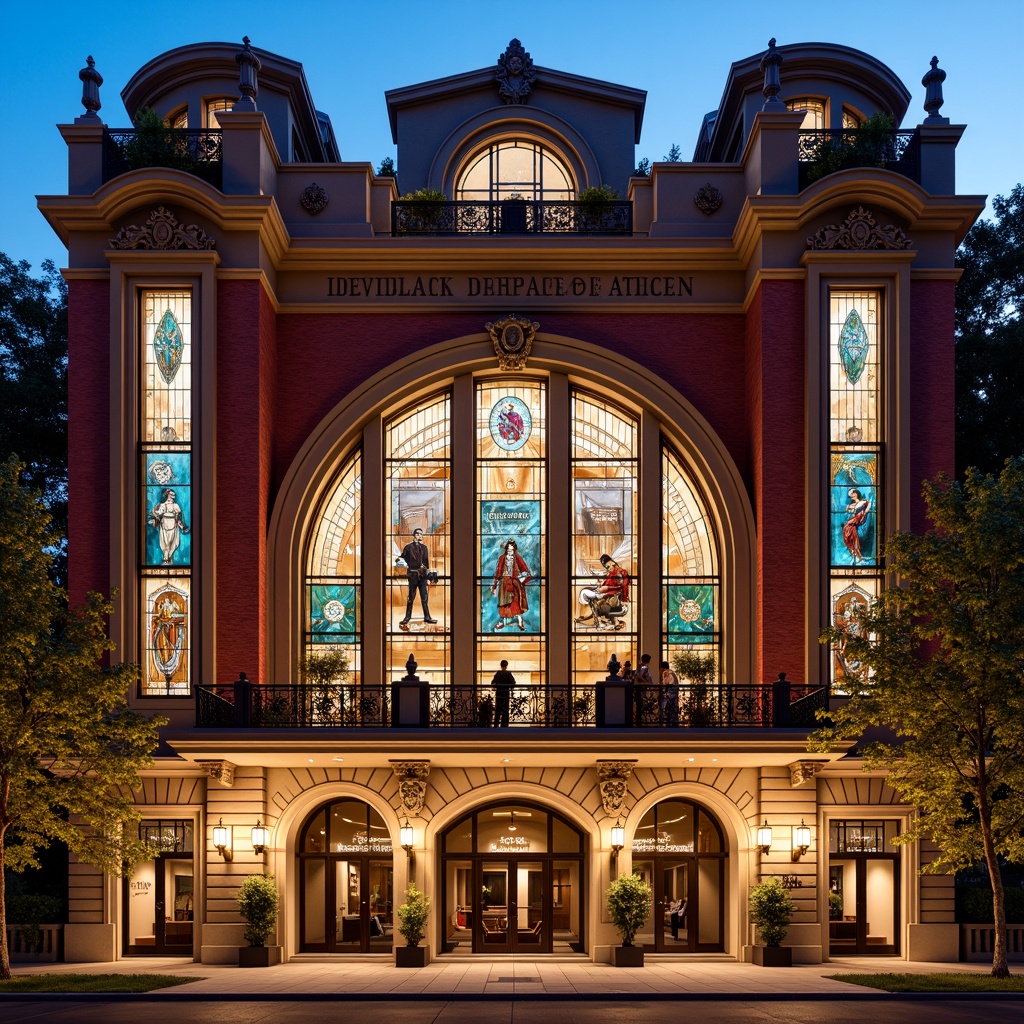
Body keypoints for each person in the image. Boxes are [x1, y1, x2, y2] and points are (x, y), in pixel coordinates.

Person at [576, 554, 630, 630]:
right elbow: (611, 582)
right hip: (608, 595)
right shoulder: (613, 572)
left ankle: (598, 621)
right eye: (607, 567)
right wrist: (602, 584)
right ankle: (599, 620)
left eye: (611, 564)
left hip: (613, 598)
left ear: (613, 562)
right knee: (588, 593)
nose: (610, 567)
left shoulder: (620, 572)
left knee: (586, 593)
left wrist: (606, 588)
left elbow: (620, 587)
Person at [490, 538, 532, 631]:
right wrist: (494, 586)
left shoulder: (517, 558)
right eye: (508, 550)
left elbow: (526, 571)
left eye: (512, 550)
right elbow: (498, 573)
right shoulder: (501, 558)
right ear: (506, 549)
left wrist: (521, 578)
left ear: (514, 550)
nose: (510, 552)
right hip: (504, 584)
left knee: (516, 603)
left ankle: (520, 622)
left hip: (514, 584)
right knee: (503, 603)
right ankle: (503, 622)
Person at [398, 528, 437, 626]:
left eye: (421, 534)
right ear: (415, 535)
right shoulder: (408, 547)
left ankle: (427, 617)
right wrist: (406, 565)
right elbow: (400, 560)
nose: (421, 536)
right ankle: (407, 617)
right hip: (412, 575)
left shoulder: (424, 548)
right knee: (411, 597)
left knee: (424, 597)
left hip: (422, 576)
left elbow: (426, 563)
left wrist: (427, 571)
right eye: (419, 534)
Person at [150, 488, 189, 564]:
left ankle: (169, 558)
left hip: (173, 525)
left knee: (173, 542)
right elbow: (157, 516)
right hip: (164, 525)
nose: (173, 496)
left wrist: (181, 526)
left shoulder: (176, 505)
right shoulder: (162, 505)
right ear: (167, 495)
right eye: (171, 494)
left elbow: (179, 517)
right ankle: (165, 558)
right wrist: (156, 518)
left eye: (174, 494)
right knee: (165, 543)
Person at [841, 488, 871, 563]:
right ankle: (856, 555)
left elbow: (869, 504)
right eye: (850, 495)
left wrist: (865, 513)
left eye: (852, 494)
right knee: (849, 536)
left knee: (852, 535)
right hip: (851, 522)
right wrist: (848, 509)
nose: (851, 496)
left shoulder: (863, 502)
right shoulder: (850, 505)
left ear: (856, 494)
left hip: (856, 521)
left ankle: (858, 555)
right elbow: (846, 515)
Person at [491, 659, 516, 728]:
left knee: (498, 709)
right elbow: (513, 683)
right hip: (505, 694)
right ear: (506, 666)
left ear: (501, 666)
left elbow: (492, 683)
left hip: (499, 693)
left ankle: (496, 724)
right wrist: (510, 687)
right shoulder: (508, 674)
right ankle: (504, 725)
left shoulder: (498, 673)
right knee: (505, 710)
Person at [634, 653, 653, 725]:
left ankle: (638, 719)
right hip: (642, 688)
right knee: (641, 704)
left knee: (639, 704)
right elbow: (647, 678)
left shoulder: (639, 667)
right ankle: (640, 720)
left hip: (637, 688)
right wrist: (651, 685)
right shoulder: (645, 668)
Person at [660, 660, 680, 726]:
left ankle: (666, 722)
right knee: (673, 708)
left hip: (669, 693)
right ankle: (674, 723)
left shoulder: (665, 672)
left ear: (662, 668)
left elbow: (664, 684)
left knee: (665, 708)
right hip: (675, 693)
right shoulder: (672, 672)